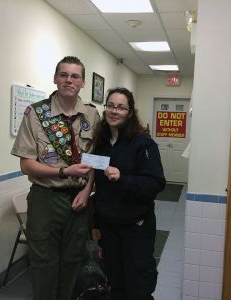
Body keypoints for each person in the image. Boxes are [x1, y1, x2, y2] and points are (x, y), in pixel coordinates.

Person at [11, 56, 100, 300]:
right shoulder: (36, 113)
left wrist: (87, 190)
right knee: (43, 265)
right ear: (55, 78)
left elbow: (95, 162)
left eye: (74, 76)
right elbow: (26, 165)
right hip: (45, 199)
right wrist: (63, 171)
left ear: (82, 82)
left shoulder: (92, 116)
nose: (68, 80)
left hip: (79, 201)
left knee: (73, 260)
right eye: (63, 75)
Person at [92, 87, 166, 300]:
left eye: (121, 107)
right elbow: (100, 188)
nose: (114, 111)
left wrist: (122, 179)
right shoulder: (101, 143)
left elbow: (155, 183)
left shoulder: (143, 143)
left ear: (130, 112)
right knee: (115, 284)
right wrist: (97, 224)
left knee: (138, 287)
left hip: (136, 228)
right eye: (111, 106)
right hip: (109, 228)